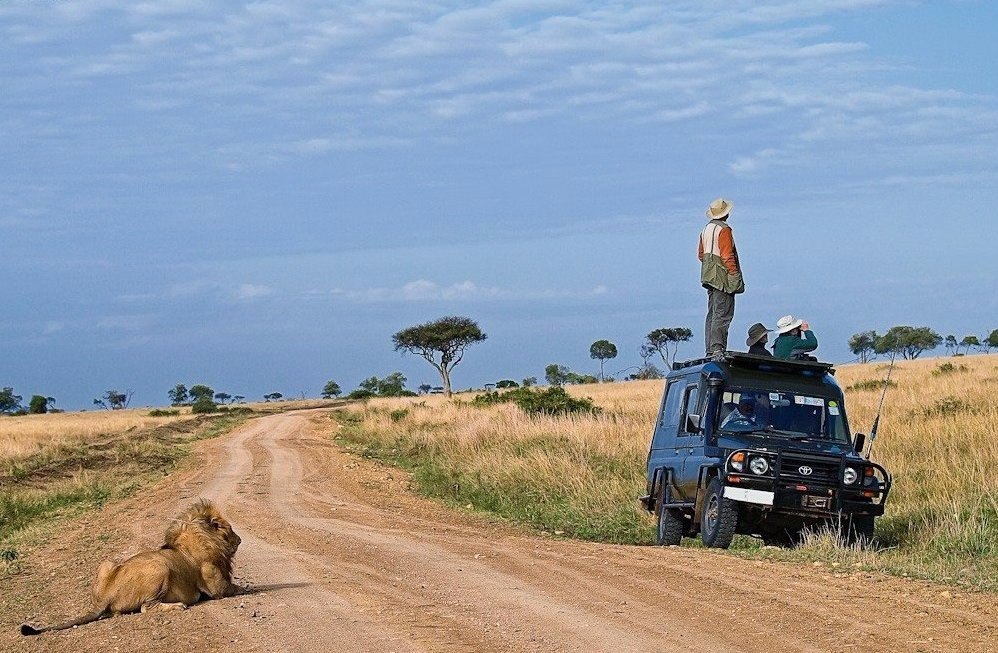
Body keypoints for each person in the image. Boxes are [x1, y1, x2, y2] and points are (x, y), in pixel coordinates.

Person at [698, 198, 744, 355]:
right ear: (726, 213)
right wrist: (733, 275)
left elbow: (700, 255)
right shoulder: (724, 229)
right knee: (723, 313)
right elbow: (727, 255)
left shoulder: (706, 229)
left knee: (712, 313)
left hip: (708, 275)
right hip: (722, 277)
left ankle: (710, 349)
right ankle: (717, 348)